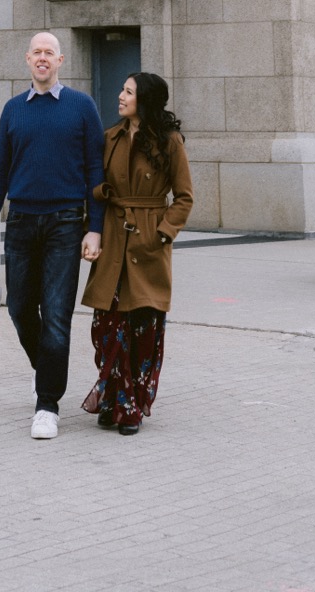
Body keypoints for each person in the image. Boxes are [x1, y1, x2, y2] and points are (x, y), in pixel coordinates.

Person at [0, 32, 105, 440]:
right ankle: (50, 371)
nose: (43, 58)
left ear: (61, 60)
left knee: (55, 314)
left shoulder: (82, 107)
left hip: (66, 223)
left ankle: (47, 404)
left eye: (50, 53)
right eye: (37, 52)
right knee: (19, 308)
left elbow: (95, 174)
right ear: (27, 60)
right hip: (20, 223)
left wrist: (95, 227)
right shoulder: (14, 110)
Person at [80, 70, 193, 434]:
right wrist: (93, 225)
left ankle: (130, 407)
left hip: (147, 240)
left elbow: (184, 197)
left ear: (144, 99)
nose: (120, 96)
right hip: (114, 237)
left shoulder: (170, 142)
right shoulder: (110, 137)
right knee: (106, 326)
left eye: (128, 91)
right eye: (122, 89)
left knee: (144, 326)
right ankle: (113, 396)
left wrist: (161, 234)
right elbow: (95, 183)